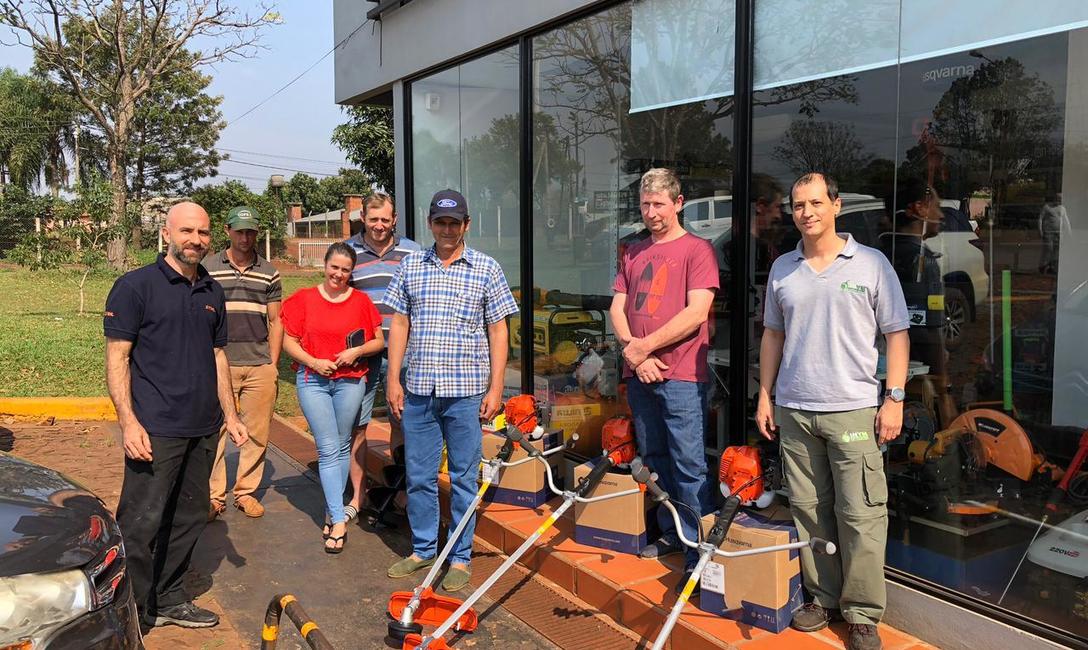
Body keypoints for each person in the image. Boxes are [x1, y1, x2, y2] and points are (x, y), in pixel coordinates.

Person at [756, 172, 910, 650]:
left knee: (861, 513)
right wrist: (765, 394)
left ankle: (862, 613)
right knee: (809, 510)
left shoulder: (871, 264)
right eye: (798, 205)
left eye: (816, 203)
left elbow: (897, 334)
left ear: (837, 206)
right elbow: (772, 335)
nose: (807, 212)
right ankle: (821, 598)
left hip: (854, 411)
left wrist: (895, 397)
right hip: (796, 410)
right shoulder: (783, 268)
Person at [105, 202, 249, 629]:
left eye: (203, 233)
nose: (196, 240)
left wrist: (232, 414)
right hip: (154, 428)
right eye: (187, 231)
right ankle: (127, 610)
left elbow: (218, 355)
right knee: (141, 521)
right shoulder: (135, 287)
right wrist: (128, 422)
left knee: (189, 516)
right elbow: (118, 359)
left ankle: (168, 598)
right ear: (166, 233)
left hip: (203, 428)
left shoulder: (212, 290)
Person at [383, 189, 518, 592]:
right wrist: (393, 379)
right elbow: (400, 325)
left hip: (466, 394)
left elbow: (498, 329)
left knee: (463, 477)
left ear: (466, 225)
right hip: (421, 390)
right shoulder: (411, 268)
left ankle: (459, 557)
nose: (446, 230)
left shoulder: (486, 269)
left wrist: (497, 387)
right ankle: (424, 549)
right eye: (440, 222)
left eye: (454, 223)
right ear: (430, 224)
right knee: (420, 475)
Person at [609, 168, 718, 592]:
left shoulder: (698, 250)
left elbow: (696, 313)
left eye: (659, 204)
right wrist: (634, 354)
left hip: (682, 375)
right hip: (641, 373)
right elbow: (618, 308)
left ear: (679, 203)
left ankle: (698, 551)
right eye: (645, 205)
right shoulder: (632, 251)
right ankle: (671, 533)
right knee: (654, 458)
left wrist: (642, 349)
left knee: (689, 464)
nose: (652, 213)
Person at [280, 242, 384, 553]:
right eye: (334, 267)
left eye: (345, 270)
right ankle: (338, 519)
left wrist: (357, 350)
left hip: (350, 382)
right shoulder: (303, 300)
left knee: (341, 446)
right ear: (324, 265)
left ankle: (331, 510)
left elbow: (378, 341)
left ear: (352, 272)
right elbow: (289, 342)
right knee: (327, 449)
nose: (338, 274)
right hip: (313, 381)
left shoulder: (362, 302)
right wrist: (313, 361)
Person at [344, 192, 420, 521]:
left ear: (395, 220)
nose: (379, 225)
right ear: (363, 217)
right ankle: (358, 493)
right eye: (373, 219)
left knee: (402, 420)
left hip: (406, 352)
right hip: (365, 352)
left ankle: (402, 489)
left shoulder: (413, 252)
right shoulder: (348, 251)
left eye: (385, 219)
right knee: (357, 424)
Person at [204, 205, 283, 520]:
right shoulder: (207, 268)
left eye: (251, 231)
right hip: (217, 363)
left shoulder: (269, 272)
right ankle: (213, 496)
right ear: (227, 231)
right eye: (240, 231)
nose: (246, 237)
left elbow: (277, 321)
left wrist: (272, 364)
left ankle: (246, 492)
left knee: (256, 432)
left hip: (258, 364)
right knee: (215, 432)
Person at [1038, 193, 1071, 274]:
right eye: (1058, 198)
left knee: (1056, 250)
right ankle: (1043, 265)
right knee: (1049, 248)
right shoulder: (1047, 207)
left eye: (1060, 199)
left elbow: (1066, 220)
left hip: (1059, 233)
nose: (1059, 200)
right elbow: (1040, 219)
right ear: (1055, 199)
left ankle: (1052, 266)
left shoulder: (1062, 208)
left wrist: (1069, 231)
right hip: (1048, 232)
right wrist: (1040, 230)